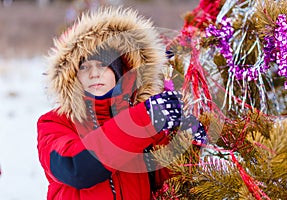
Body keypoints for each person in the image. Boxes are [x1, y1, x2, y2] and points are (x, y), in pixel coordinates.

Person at [37, 7, 207, 200]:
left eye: (103, 65)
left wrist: (187, 142)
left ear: (121, 72)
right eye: (84, 67)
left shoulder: (144, 118)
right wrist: (143, 120)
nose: (94, 73)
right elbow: (77, 169)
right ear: (72, 76)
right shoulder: (54, 124)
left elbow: (167, 183)